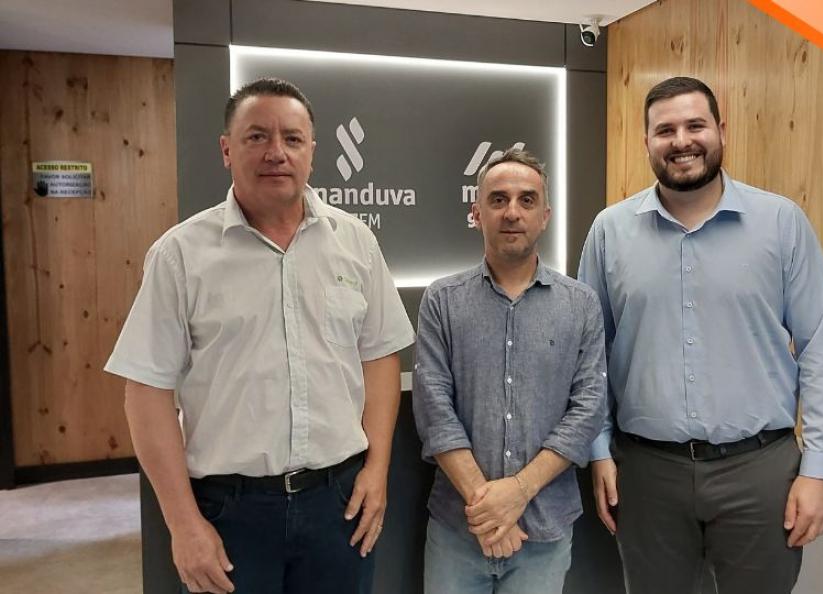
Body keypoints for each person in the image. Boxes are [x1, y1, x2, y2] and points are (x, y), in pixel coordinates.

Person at [105, 77, 414, 594]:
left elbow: (381, 355)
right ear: (227, 149)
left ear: (312, 151)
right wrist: (183, 524)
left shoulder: (356, 242)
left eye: (292, 138)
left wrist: (377, 469)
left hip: (339, 504)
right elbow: (146, 390)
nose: (276, 152)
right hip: (228, 512)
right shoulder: (180, 256)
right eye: (257, 137)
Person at [578, 76, 823, 594]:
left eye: (695, 125)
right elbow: (590, 358)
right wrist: (599, 451)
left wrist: (819, 470)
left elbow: (821, 350)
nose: (681, 141)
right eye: (665, 130)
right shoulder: (609, 232)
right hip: (647, 475)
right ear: (647, 141)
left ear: (722, 130)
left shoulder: (781, 223)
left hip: (760, 471)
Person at [412, 148, 606, 594]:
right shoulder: (442, 300)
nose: (512, 212)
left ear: (545, 215)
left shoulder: (581, 305)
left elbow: (588, 411)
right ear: (476, 213)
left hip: (545, 532)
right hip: (458, 531)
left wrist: (517, 492)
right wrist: (489, 511)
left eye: (526, 200)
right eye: (498, 200)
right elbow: (434, 411)